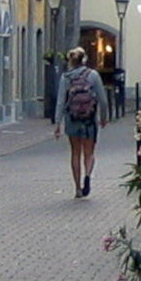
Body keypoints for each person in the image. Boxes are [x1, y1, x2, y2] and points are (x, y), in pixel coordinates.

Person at [54, 46, 108, 199]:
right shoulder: (93, 75)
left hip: (72, 118)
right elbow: (103, 99)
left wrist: (58, 123)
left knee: (75, 152)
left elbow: (60, 102)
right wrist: (103, 117)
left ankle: (77, 188)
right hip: (89, 118)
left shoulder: (66, 77)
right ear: (84, 59)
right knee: (89, 152)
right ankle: (88, 176)